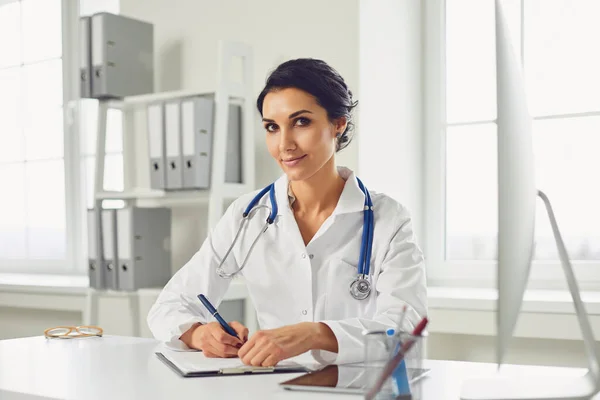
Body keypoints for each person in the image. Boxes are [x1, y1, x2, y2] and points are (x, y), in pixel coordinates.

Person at [147, 58, 427, 367]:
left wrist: (316, 334)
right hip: (274, 387)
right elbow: (169, 306)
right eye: (272, 127)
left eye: (301, 122)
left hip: (357, 388)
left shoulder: (388, 219)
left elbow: (407, 331)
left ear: (338, 124)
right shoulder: (248, 215)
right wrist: (200, 334)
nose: (284, 145)